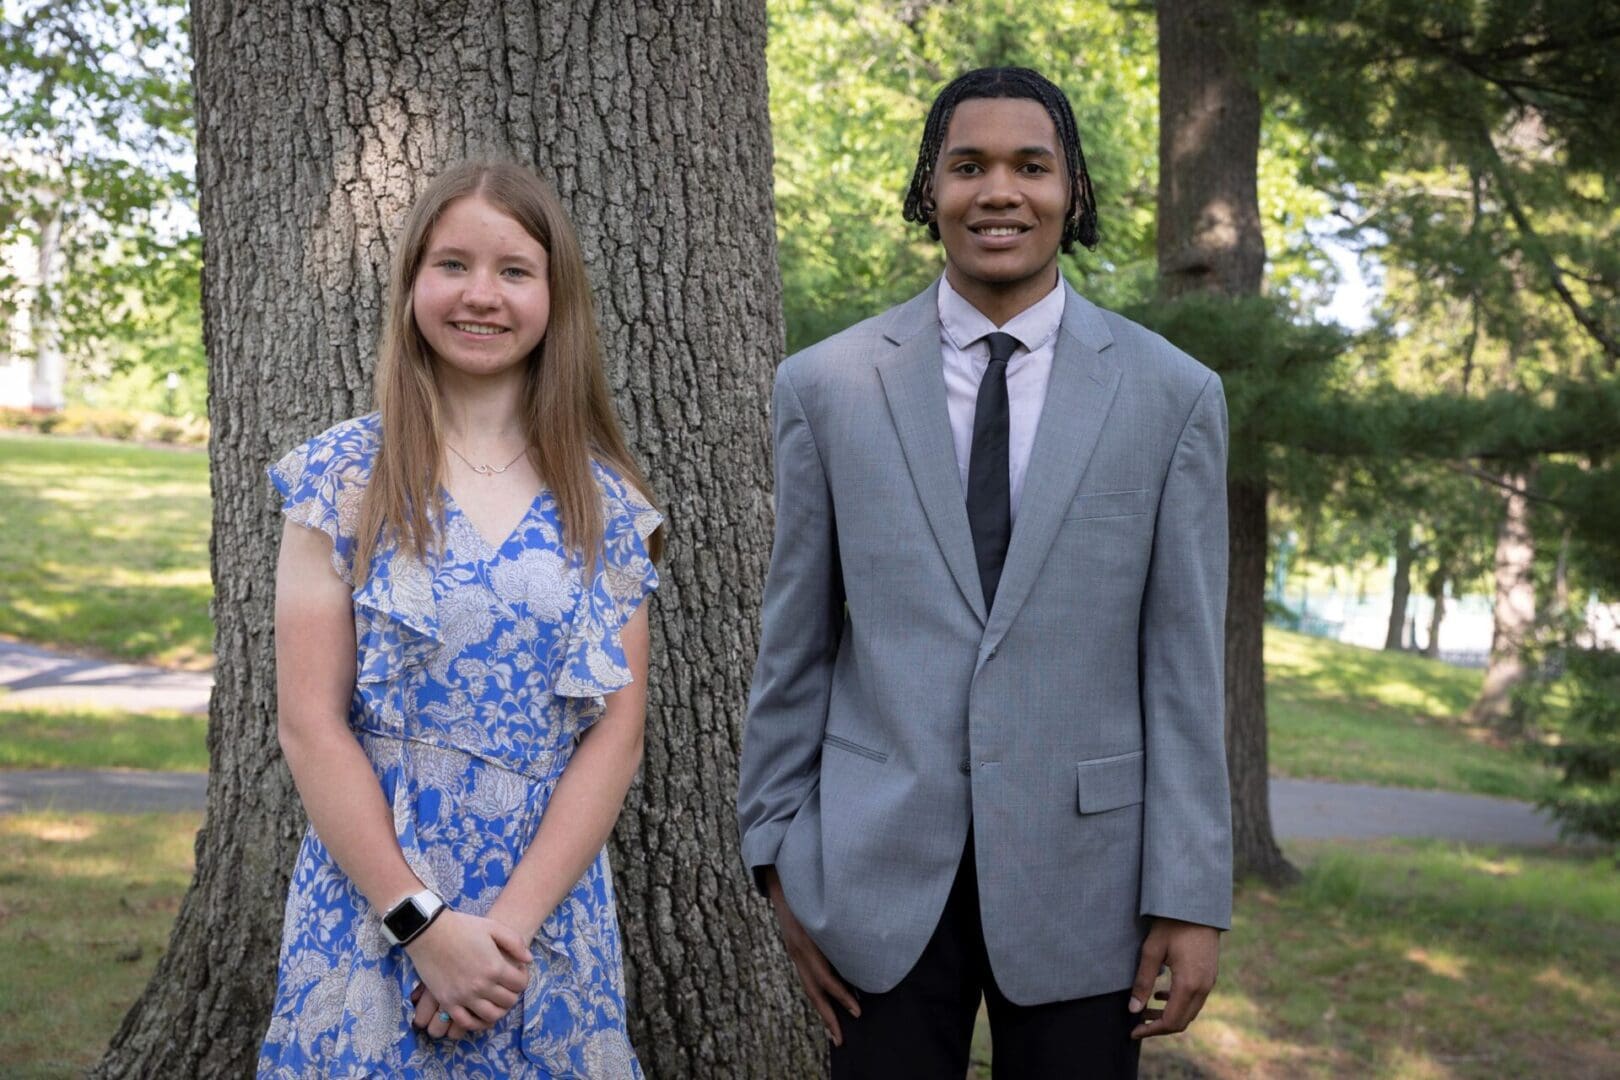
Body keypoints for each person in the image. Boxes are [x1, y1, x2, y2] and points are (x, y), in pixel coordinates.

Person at [737, 67, 1231, 1078]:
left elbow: (1184, 669)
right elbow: (794, 642)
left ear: (1072, 191)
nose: (998, 191)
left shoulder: (1171, 396)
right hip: (873, 882)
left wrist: (1191, 894)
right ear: (931, 191)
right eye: (967, 166)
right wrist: (777, 858)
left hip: (1090, 889)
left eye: (1030, 166)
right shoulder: (826, 387)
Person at [257, 162, 663, 1079]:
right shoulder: (342, 478)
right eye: (452, 265)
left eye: (515, 270)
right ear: (411, 288)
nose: (482, 294)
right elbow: (309, 724)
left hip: (542, 926)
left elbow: (617, 737)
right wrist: (420, 924)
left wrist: (500, 942)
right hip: (369, 911)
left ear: (556, 298)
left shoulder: (608, 503)